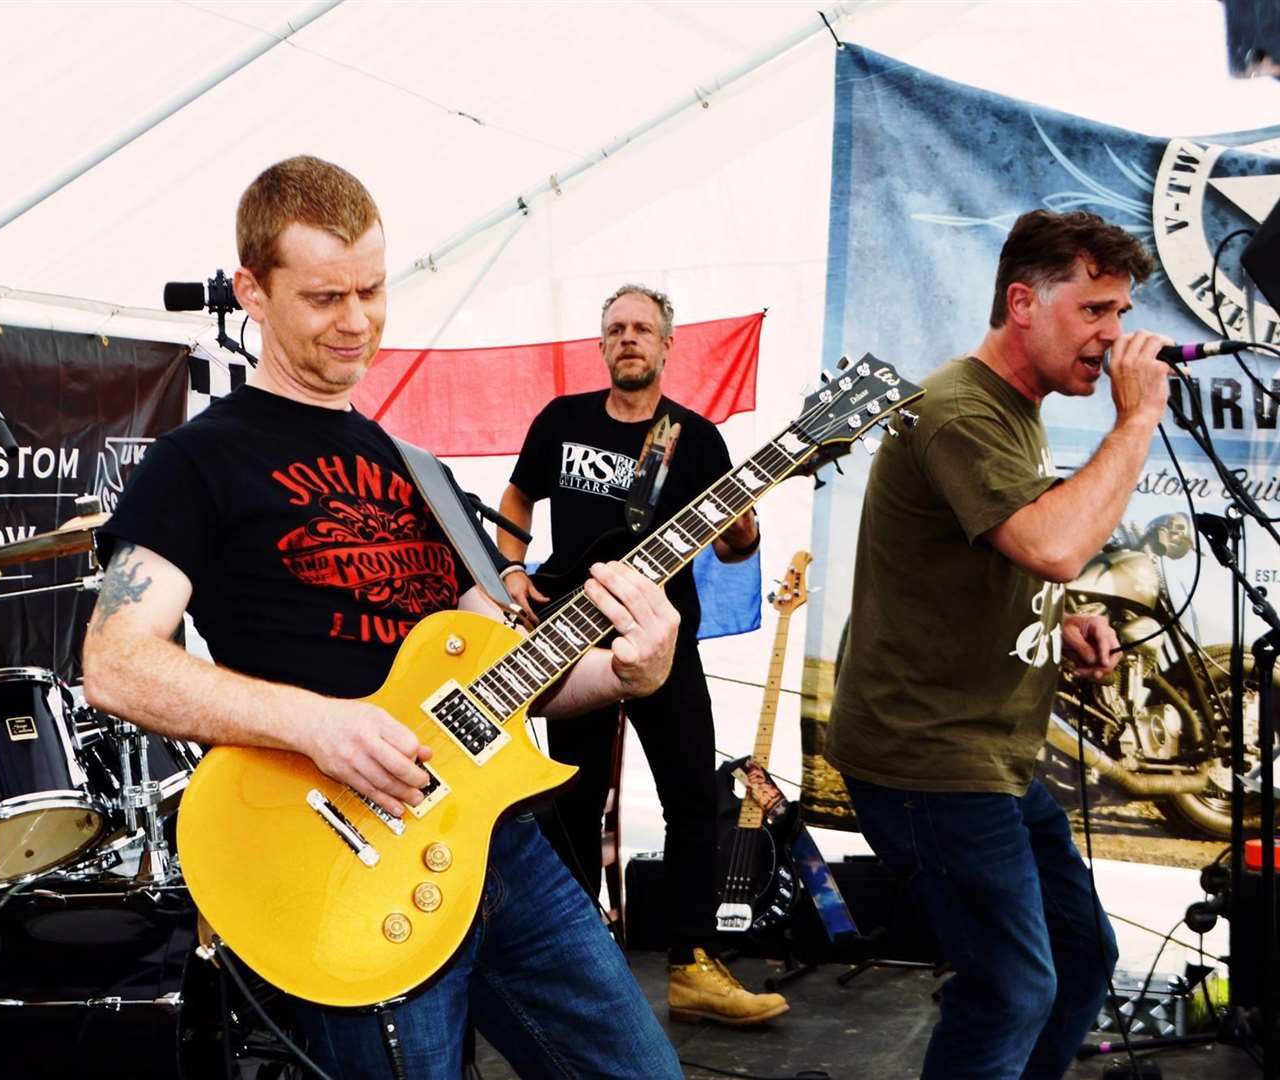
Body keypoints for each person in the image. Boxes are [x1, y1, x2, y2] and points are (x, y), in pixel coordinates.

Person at [81, 156, 688, 1079]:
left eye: (371, 288)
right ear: (252, 289)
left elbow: (506, 675)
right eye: (325, 296)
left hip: (497, 845)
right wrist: (318, 723)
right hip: (346, 861)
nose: (357, 320)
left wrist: (626, 673)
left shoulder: (421, 470)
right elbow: (117, 663)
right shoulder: (198, 461)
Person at [826, 209, 1169, 1080]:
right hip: (928, 759)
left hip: (990, 756)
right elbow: (1053, 543)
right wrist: (1136, 424)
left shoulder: (1019, 407)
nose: (1114, 335)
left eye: (1121, 313)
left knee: (1083, 959)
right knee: (1011, 987)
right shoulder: (957, 410)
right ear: (1024, 302)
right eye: (1095, 310)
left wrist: (1060, 622)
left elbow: (1005, 555)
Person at [495, 284, 786, 1027]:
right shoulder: (561, 421)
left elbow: (734, 544)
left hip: (662, 638)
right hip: (569, 633)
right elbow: (518, 500)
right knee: (572, 798)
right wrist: (511, 570)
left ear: (666, 346)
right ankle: (569, 960)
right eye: (616, 328)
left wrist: (746, 528)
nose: (629, 339)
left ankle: (692, 966)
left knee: (691, 796)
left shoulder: (696, 438)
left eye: (642, 329)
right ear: (602, 345)